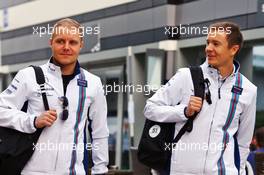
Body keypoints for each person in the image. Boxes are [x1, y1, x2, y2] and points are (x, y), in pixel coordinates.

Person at [144, 21, 257, 175]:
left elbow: (243, 142)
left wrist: (239, 170)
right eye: (208, 42)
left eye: (216, 44)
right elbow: (150, 109)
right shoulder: (186, 76)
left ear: (233, 49)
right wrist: (184, 111)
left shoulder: (248, 90)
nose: (208, 48)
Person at [0, 18, 109, 175]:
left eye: (72, 42)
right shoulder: (28, 76)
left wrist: (100, 170)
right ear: (51, 42)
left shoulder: (93, 83)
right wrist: (32, 121)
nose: (66, 47)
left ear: (81, 45)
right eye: (60, 41)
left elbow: (100, 132)